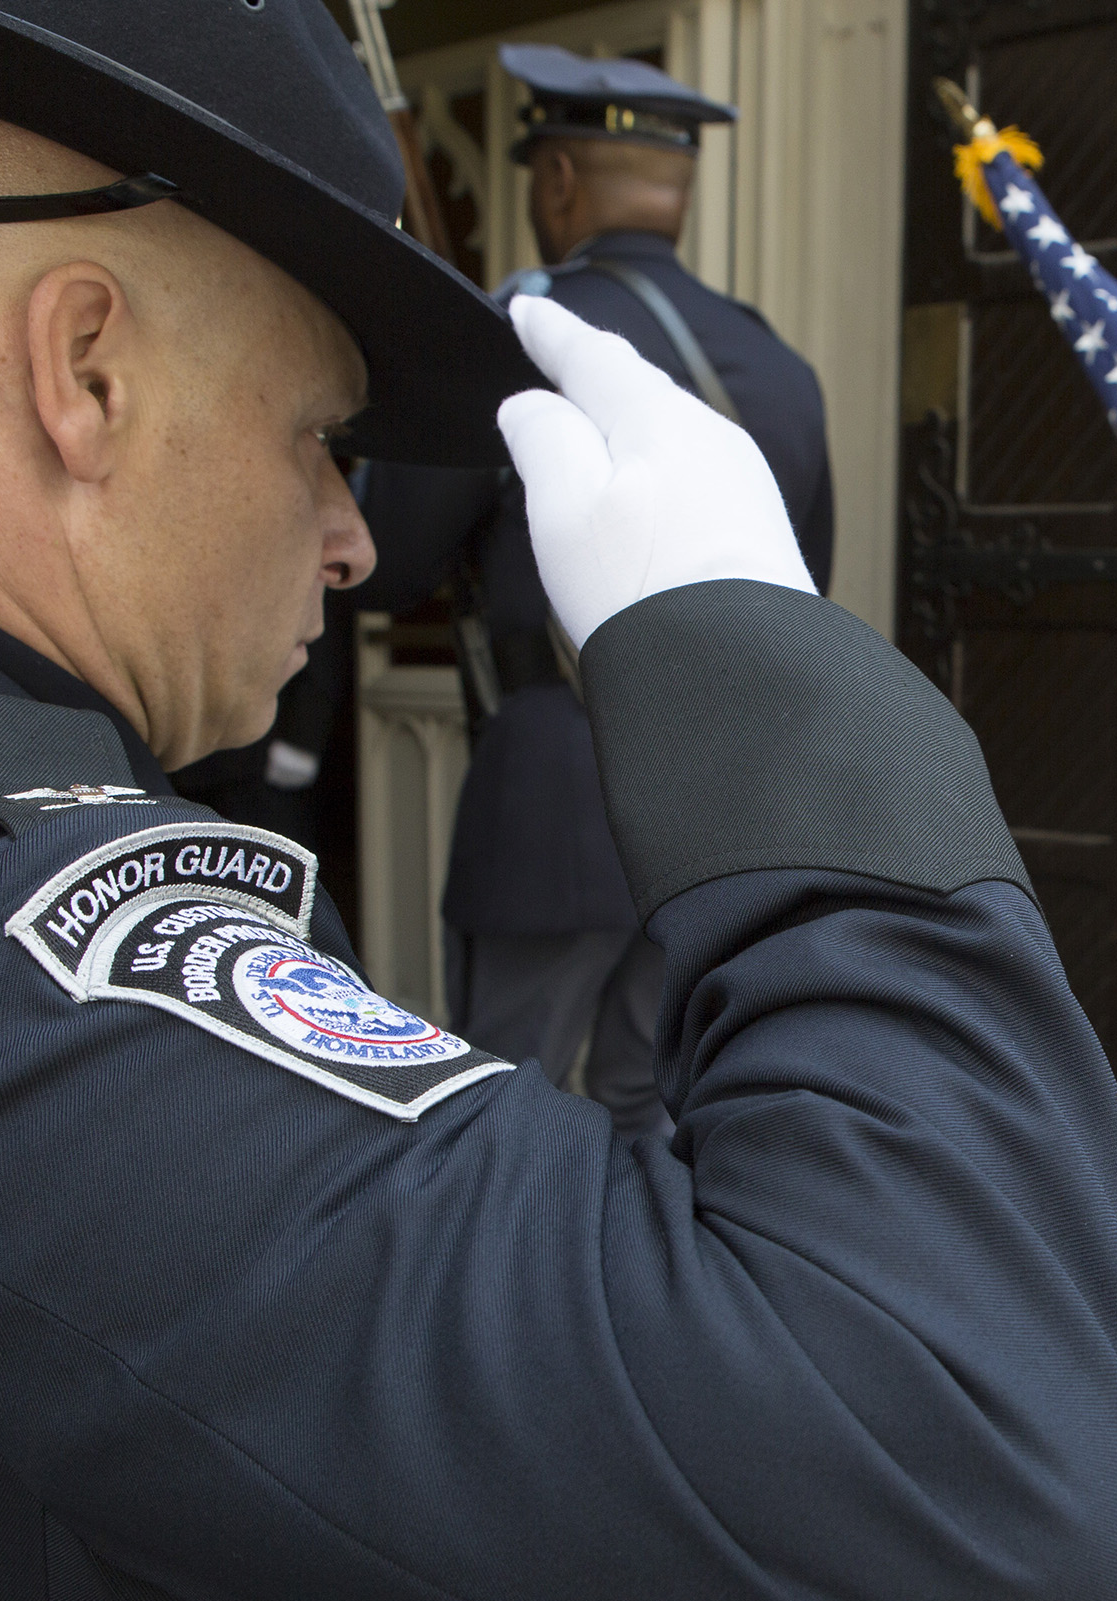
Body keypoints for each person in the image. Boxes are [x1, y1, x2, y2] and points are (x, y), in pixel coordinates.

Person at [0, 6, 1117, 1601]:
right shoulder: (15, 981)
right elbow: (986, 1461)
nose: (345, 532)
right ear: (85, 373)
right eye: (321, 434)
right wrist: (765, 668)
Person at [354, 46, 833, 1136]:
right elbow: (804, 588)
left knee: (488, 1119)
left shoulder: (515, 337)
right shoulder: (778, 369)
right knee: (654, 1119)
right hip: (718, 811)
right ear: (678, 187)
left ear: (557, 180)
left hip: (551, 799)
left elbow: (386, 562)